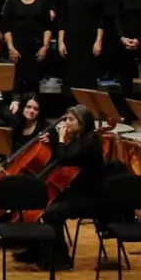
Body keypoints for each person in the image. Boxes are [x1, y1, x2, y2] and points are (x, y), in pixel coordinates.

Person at [25, 105, 105, 270]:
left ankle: (60, 260)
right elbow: (59, 157)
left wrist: (60, 139)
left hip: (88, 197)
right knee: (39, 202)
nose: (66, 123)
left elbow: (64, 158)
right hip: (75, 192)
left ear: (82, 123)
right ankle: (35, 252)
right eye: (66, 119)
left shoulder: (91, 142)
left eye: (71, 119)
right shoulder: (78, 139)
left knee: (52, 214)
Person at [57, 0, 104, 99]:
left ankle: (87, 114)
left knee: (88, 78)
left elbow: (100, 20)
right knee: (70, 78)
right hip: (71, 41)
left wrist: (99, 41)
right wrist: (60, 42)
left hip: (89, 41)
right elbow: (62, 19)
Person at [2, 0, 53, 95]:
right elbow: (6, 27)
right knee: (16, 84)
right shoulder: (12, 0)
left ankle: (33, 111)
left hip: (36, 49)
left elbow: (47, 27)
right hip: (17, 50)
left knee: (34, 85)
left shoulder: (42, 0)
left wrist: (45, 47)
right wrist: (11, 48)